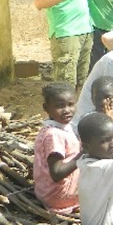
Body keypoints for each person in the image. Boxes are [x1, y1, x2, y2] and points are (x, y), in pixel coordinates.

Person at [33, 83, 81, 214]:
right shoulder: (54, 135)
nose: (67, 110)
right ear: (46, 108)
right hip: (58, 197)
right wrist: (83, 154)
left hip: (47, 192)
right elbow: (57, 173)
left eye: (71, 104)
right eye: (60, 106)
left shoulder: (61, 127)